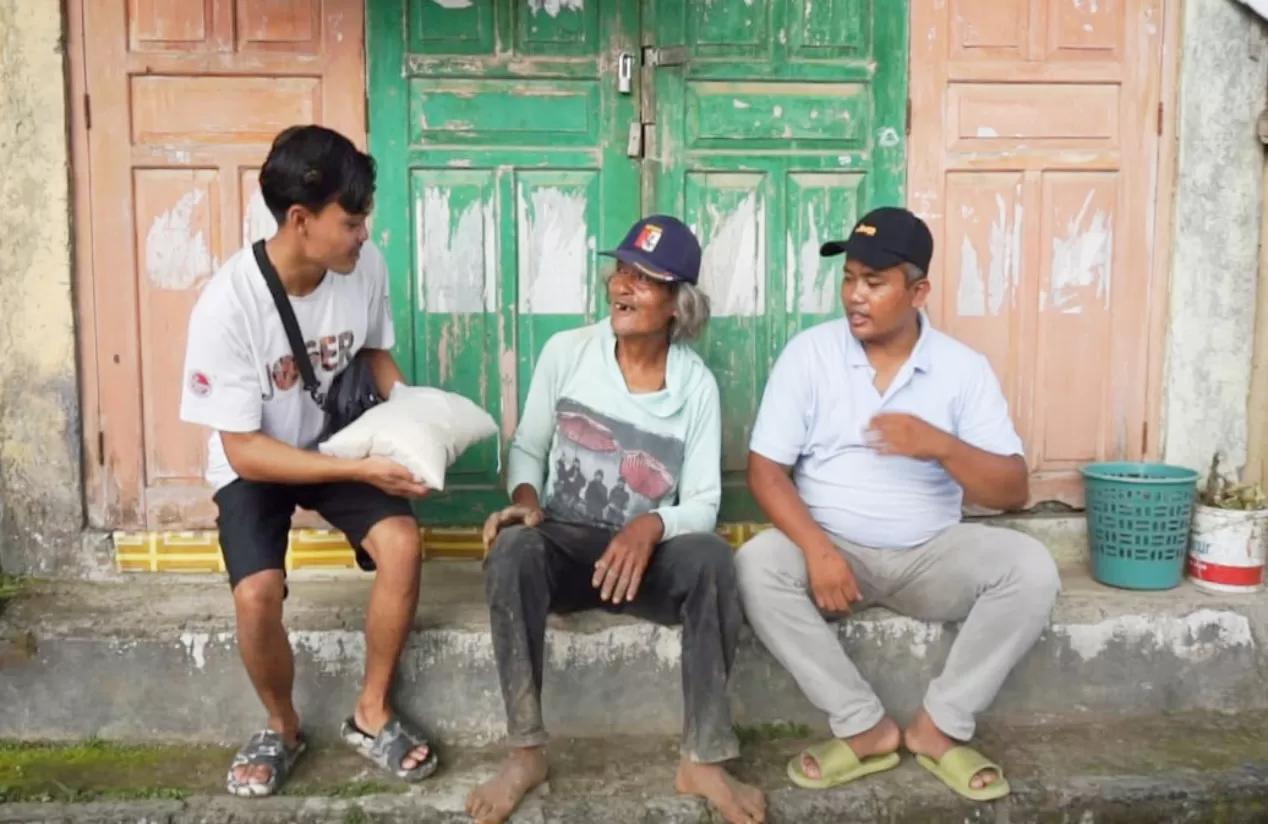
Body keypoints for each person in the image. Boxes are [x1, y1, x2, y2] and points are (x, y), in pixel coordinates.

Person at [735, 207, 1059, 802]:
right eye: (849, 279)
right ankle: (864, 726)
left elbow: (1013, 490)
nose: (855, 296)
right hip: (832, 558)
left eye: (874, 283)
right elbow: (765, 471)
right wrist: (818, 550)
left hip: (929, 556)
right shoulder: (810, 355)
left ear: (918, 292)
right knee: (754, 565)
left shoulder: (962, 369)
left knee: (1031, 569)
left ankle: (939, 727)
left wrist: (938, 445)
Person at [467, 216, 765, 824]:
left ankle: (703, 757)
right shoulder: (568, 353)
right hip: (567, 547)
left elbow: (705, 502)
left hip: (645, 565)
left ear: (677, 306)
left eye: (646, 279)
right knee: (512, 551)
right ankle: (526, 751)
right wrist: (527, 499)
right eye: (622, 271)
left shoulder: (695, 387)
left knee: (711, 558)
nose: (623, 287)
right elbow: (527, 448)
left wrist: (650, 525)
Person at [179, 125, 435, 797]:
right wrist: (358, 472)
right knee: (257, 594)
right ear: (300, 220)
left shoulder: (363, 266)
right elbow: (244, 451)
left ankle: (371, 712)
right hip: (260, 459)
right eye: (350, 222)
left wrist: (416, 425)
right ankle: (282, 725)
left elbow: (376, 358)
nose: (363, 235)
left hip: (335, 439)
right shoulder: (228, 305)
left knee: (402, 546)